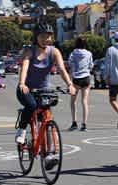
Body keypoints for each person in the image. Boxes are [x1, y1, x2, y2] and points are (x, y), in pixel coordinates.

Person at [15, 23, 76, 169]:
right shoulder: (30, 51)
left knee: (47, 118)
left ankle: (49, 154)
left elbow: (61, 69)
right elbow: (25, 66)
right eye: (42, 36)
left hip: (43, 89)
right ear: (36, 37)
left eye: (48, 36)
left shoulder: (54, 52)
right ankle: (22, 130)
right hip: (26, 89)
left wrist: (70, 84)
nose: (46, 39)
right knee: (31, 106)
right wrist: (22, 83)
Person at [67, 37, 93, 131]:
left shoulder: (73, 53)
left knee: (73, 101)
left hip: (76, 78)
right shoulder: (89, 53)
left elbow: (70, 66)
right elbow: (91, 65)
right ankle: (84, 124)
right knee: (84, 101)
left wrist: (69, 81)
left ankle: (74, 123)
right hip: (86, 78)